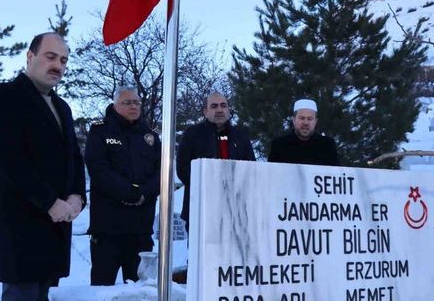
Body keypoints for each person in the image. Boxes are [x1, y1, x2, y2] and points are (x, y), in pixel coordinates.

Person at [0, 32, 86, 301]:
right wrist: (50, 202)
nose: (58, 66)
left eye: (63, 60)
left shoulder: (62, 107)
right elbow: (9, 160)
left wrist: (77, 196)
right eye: (50, 57)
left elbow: (74, 155)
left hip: (55, 228)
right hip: (21, 225)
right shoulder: (3, 96)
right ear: (30, 57)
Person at [84, 87, 161, 285]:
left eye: (136, 102)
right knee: (102, 287)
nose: (133, 106)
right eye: (127, 102)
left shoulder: (150, 136)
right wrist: (130, 193)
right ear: (115, 105)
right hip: (108, 227)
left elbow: (162, 173)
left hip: (140, 228)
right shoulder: (100, 132)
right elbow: (98, 169)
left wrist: (144, 193)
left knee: (141, 288)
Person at [177, 92, 256, 231]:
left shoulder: (240, 135)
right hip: (201, 207)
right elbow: (183, 169)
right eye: (214, 106)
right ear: (205, 111)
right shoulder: (192, 134)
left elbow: (251, 168)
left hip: (235, 209)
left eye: (223, 105)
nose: (219, 110)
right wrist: (210, 186)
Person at [268, 98, 340, 166]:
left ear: (315, 121)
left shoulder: (327, 145)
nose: (306, 123)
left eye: (310, 119)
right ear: (294, 119)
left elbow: (335, 175)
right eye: (302, 118)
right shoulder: (279, 145)